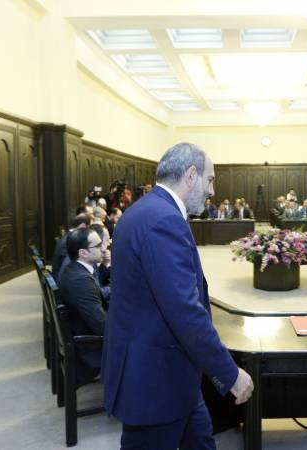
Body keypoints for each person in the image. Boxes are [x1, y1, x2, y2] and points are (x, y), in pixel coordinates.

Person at [102, 143, 253, 450]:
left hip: (172, 373)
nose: (212, 191)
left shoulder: (142, 210)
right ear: (191, 175)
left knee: (201, 440)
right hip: (155, 379)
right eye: (210, 180)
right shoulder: (164, 220)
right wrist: (229, 373)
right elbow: (185, 311)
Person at [58, 227, 107, 387]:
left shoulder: (76, 269)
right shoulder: (81, 281)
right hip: (87, 347)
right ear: (83, 253)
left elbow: (95, 295)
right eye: (98, 245)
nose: (104, 248)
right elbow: (102, 326)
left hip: (83, 331)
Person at [52, 214, 91, 279]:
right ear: (83, 226)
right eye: (89, 227)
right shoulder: (71, 240)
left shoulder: (69, 236)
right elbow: (69, 265)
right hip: (61, 279)